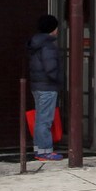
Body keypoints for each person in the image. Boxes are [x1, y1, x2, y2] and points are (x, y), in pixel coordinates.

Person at [26, 14, 64, 160]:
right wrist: (59, 80)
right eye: (56, 27)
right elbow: (51, 69)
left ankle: (39, 149)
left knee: (40, 119)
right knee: (45, 120)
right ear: (52, 29)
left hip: (37, 86)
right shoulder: (48, 46)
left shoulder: (36, 44)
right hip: (47, 87)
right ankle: (45, 151)